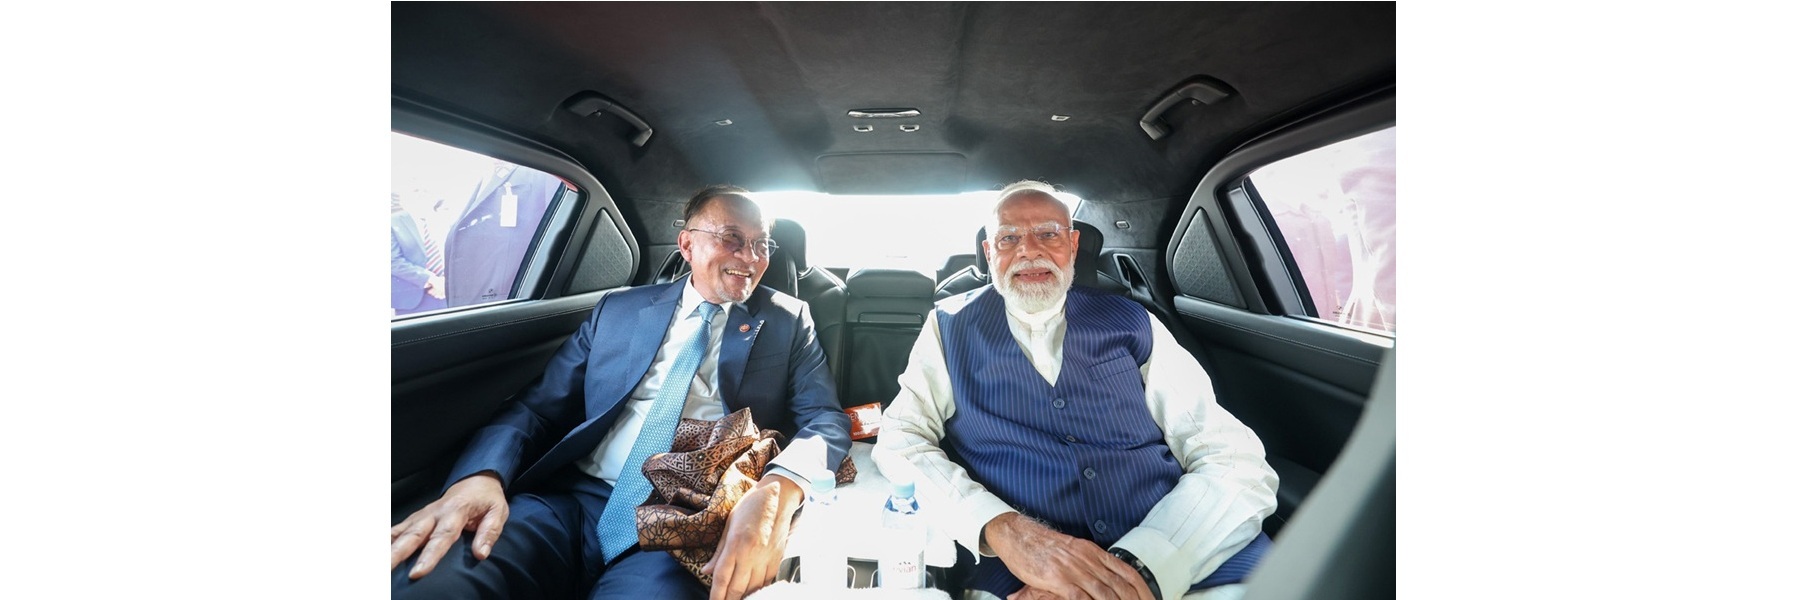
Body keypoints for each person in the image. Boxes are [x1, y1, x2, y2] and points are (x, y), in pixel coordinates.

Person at [391, 186, 852, 600]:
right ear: (687, 244)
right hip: (570, 503)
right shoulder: (618, 309)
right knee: (435, 581)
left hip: (684, 519)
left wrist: (778, 488)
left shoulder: (788, 320)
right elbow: (536, 408)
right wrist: (482, 476)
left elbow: (824, 420)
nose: (750, 257)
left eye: (761, 244)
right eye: (732, 237)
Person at [876, 181, 1278, 600]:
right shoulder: (948, 326)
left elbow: (1231, 457)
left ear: (1072, 244)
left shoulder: (1134, 321)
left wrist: (1140, 567)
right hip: (1021, 576)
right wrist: (1002, 528)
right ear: (989, 252)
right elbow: (901, 438)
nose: (1029, 250)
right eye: (1009, 238)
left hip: (1187, 559)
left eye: (1047, 234)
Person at [445, 160, 564, 307]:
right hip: (469, 307)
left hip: (507, 307)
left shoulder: (541, 173)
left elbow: (558, 238)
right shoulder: (479, 176)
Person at [392, 192, 447, 316]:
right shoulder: (392, 222)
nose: (422, 194)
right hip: (415, 299)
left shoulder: (444, 219)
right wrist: (432, 280)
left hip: (448, 291)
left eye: (425, 191)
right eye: (416, 191)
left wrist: (446, 282)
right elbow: (393, 261)